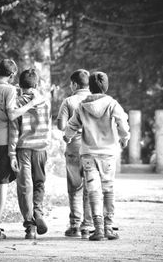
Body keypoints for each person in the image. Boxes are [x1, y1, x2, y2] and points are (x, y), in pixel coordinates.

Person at [0, 59, 45, 240]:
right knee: (2, 184)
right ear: (12, 75)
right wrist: (32, 103)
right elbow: (13, 115)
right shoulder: (10, 90)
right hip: (4, 141)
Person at [63, 71, 130, 241]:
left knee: (92, 189)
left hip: (88, 154)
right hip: (107, 153)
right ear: (106, 86)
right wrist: (124, 137)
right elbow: (122, 122)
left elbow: (71, 125)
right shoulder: (112, 104)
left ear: (90, 87)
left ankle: (98, 229)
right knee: (108, 189)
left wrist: (67, 136)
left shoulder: (82, 106)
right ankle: (108, 227)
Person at [9, 69, 51, 239]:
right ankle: (39, 213)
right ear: (37, 84)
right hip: (41, 148)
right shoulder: (45, 102)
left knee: (25, 186)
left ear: (20, 86)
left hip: (23, 149)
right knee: (39, 183)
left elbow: (13, 131)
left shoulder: (18, 103)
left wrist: (11, 153)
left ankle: (30, 226)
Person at [57, 69, 93, 239]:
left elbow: (61, 125)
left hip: (73, 148)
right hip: (91, 149)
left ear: (75, 85)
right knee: (89, 187)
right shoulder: (96, 99)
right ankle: (87, 226)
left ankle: (75, 226)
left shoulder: (69, 101)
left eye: (71, 83)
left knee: (74, 187)